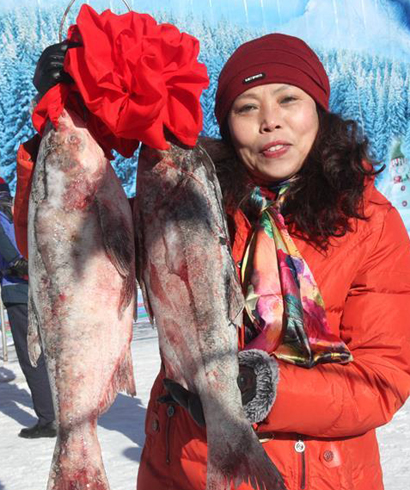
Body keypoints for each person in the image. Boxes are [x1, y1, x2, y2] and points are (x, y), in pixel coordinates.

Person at [24, 32, 410, 489]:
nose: (270, 121)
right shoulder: (183, 199)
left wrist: (269, 390)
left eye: (288, 99)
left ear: (319, 111)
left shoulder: (370, 222)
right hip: (185, 467)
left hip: (323, 475)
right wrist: (62, 121)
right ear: (227, 126)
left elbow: (384, 379)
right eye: (247, 107)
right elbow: (69, 255)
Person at [0, 177, 56, 438]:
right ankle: (61, 411)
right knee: (48, 354)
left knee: (31, 356)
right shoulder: (20, 217)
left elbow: (15, 262)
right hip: (41, 293)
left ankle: (49, 419)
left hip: (19, 293)